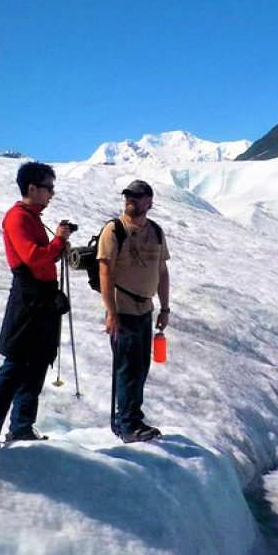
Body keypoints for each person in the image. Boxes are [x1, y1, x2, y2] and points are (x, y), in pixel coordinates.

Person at [0, 162, 71, 452]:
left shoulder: (30, 217)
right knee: (16, 364)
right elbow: (33, 257)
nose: (51, 194)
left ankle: (21, 426)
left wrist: (56, 245)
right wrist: (58, 242)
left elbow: (40, 257)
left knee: (38, 362)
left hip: (39, 298)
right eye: (48, 187)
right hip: (28, 298)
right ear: (32, 188)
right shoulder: (17, 218)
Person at [98, 179, 169, 442]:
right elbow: (105, 270)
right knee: (128, 367)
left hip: (145, 310)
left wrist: (165, 308)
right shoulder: (114, 229)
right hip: (123, 310)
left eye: (137, 197)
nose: (131, 200)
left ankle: (130, 419)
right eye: (128, 196)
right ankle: (128, 424)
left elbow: (161, 271)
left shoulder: (156, 231)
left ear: (149, 202)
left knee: (140, 367)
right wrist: (111, 312)